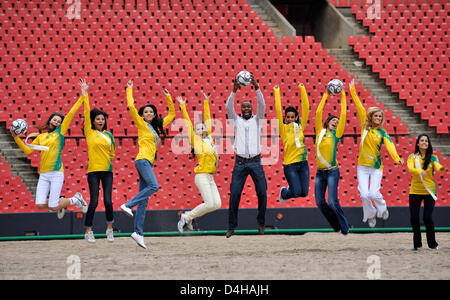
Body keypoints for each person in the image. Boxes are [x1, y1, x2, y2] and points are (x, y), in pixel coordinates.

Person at [10, 79, 88, 218]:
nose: (57, 122)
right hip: (44, 174)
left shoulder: (60, 133)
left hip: (57, 172)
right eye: (55, 119)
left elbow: (70, 114)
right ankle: (62, 203)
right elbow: (28, 150)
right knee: (40, 205)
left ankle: (75, 199)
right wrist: (16, 137)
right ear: (50, 120)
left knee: (52, 206)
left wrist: (83, 96)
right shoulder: (41, 136)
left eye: (59, 121)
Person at [120, 79, 175, 249]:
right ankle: (128, 204)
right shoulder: (141, 124)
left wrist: (168, 98)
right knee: (154, 186)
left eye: (151, 111)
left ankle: (138, 233)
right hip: (142, 161)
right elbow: (131, 108)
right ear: (143, 115)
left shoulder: (157, 127)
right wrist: (129, 89)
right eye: (146, 112)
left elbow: (172, 115)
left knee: (144, 202)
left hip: (148, 163)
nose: (149, 113)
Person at [350, 79, 404, 227]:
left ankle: (382, 208)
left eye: (380, 116)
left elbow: (390, 145)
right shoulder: (364, 127)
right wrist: (353, 91)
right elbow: (360, 108)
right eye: (376, 116)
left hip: (376, 168)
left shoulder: (383, 132)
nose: (378, 118)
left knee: (373, 193)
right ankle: (370, 215)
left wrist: (397, 158)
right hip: (362, 166)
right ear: (370, 117)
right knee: (364, 194)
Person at [226, 74, 267, 238]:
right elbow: (229, 107)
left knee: (262, 193)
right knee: (235, 194)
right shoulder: (236, 120)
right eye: (244, 107)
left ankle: (261, 223)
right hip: (240, 163)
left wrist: (257, 87)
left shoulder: (258, 119)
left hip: (256, 162)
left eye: (249, 107)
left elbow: (262, 105)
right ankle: (231, 227)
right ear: (241, 109)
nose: (246, 109)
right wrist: (234, 92)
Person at [176, 91, 221, 233]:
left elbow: (207, 119)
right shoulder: (195, 141)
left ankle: (189, 217)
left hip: (210, 176)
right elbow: (188, 124)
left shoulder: (210, 139)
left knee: (217, 204)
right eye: (198, 128)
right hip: (201, 175)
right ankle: (186, 217)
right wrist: (183, 107)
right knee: (209, 203)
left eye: (202, 128)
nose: (201, 129)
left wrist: (206, 102)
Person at [80, 79, 116, 243]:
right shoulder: (89, 132)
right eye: (98, 119)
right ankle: (88, 230)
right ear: (93, 121)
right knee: (93, 202)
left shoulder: (109, 135)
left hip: (107, 171)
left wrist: (107, 160)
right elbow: (87, 112)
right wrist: (85, 94)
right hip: (93, 171)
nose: (100, 121)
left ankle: (110, 229)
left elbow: (112, 152)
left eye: (102, 119)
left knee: (108, 201)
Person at [314, 84, 349, 235]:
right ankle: (336, 225)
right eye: (332, 120)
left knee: (333, 201)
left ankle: (345, 227)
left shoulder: (336, 135)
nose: (335, 122)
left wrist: (343, 96)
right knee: (320, 202)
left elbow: (343, 115)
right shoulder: (319, 133)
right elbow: (318, 112)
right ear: (327, 122)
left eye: (336, 121)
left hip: (332, 172)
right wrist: (326, 95)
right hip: (320, 172)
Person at [407, 134, 446, 251]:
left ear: (429, 144)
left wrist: (441, 169)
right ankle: (417, 244)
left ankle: (432, 244)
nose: (424, 142)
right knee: (414, 218)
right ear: (418, 143)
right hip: (415, 191)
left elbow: (438, 167)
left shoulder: (433, 157)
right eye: (422, 140)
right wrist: (420, 171)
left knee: (427, 217)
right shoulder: (412, 157)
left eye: (426, 141)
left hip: (429, 191)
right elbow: (410, 169)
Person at [273, 83, 310, 204]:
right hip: (290, 165)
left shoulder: (300, 126)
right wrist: (277, 92)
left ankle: (288, 191)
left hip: (303, 164)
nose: (290, 119)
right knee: (296, 192)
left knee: (304, 193)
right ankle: (284, 193)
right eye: (288, 117)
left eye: (292, 117)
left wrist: (302, 89)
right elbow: (278, 111)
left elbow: (306, 107)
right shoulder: (283, 129)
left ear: (296, 118)